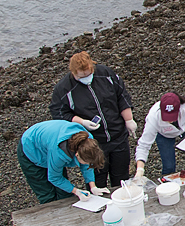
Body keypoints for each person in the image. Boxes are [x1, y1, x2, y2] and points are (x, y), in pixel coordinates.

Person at [50, 51, 137, 189]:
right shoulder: (63, 89)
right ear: (73, 72)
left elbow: (122, 95)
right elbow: (59, 113)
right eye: (81, 76)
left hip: (118, 135)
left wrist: (129, 119)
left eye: (89, 73)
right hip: (93, 142)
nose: (87, 78)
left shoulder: (106, 74)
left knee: (121, 177)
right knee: (97, 180)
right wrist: (81, 122)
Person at [18, 120, 107, 204]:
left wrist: (93, 186)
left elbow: (87, 165)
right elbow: (54, 177)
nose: (88, 164)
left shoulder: (88, 141)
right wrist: (76, 191)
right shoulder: (60, 153)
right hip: (31, 147)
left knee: (65, 193)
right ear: (77, 155)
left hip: (50, 141)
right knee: (47, 195)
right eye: (86, 161)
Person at [134, 92, 185, 177]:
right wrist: (140, 169)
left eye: (172, 116)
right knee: (168, 166)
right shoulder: (153, 117)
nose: (170, 121)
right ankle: (168, 186)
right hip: (164, 134)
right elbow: (144, 145)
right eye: (166, 117)